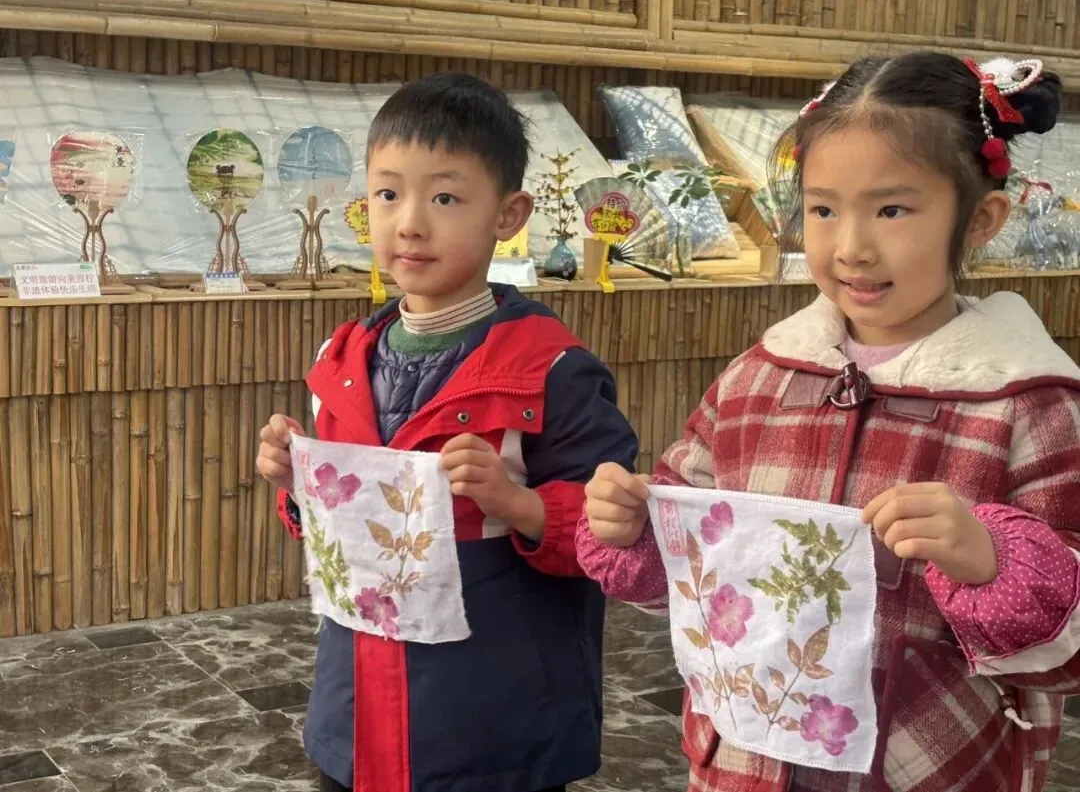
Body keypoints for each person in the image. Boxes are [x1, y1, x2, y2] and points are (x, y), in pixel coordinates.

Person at [577, 51, 1080, 792]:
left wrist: (992, 563)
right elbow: (688, 576)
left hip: (935, 769)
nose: (851, 247)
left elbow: (1069, 654)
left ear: (980, 219)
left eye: (891, 210)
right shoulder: (756, 382)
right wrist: (635, 528)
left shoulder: (1028, 404)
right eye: (822, 210)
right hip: (743, 765)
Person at [256, 72, 639, 792]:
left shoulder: (552, 370)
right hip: (355, 709)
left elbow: (612, 537)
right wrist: (298, 485)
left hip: (492, 725)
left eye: (444, 198)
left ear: (509, 214)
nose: (409, 223)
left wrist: (518, 504)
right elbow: (339, 533)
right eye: (387, 194)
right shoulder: (340, 362)